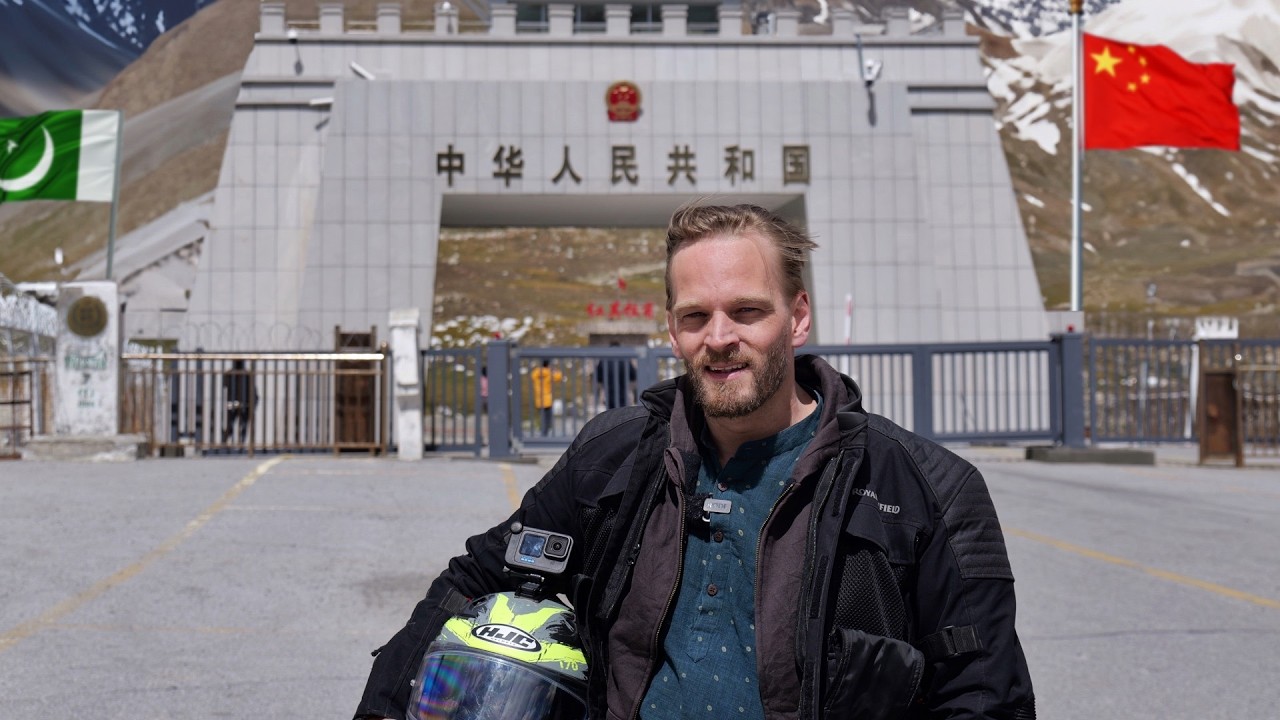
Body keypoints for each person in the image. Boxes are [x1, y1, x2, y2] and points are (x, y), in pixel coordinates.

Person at [355, 204, 1035, 720]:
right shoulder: (616, 455)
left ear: (797, 318)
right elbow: (477, 577)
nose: (719, 339)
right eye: (694, 316)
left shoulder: (923, 489)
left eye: (746, 311)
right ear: (671, 327)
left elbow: (982, 692)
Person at [221, 359, 256, 445]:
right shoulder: (245, 374)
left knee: (238, 425)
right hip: (239, 402)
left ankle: (238, 442)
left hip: (241, 402)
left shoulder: (231, 373)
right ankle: (232, 441)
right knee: (231, 425)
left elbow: (224, 386)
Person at [594, 341, 637, 410]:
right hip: (623, 395)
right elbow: (633, 376)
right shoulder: (626, 358)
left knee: (611, 415)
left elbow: (598, 378)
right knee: (623, 415)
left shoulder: (603, 359)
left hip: (609, 395)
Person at [529, 359, 562, 436]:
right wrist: (554, 369)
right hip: (547, 399)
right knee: (548, 417)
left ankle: (543, 431)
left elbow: (532, 375)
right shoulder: (549, 373)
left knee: (542, 417)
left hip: (539, 399)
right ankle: (545, 432)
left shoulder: (537, 373)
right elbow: (559, 376)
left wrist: (540, 368)